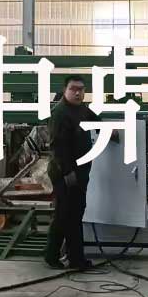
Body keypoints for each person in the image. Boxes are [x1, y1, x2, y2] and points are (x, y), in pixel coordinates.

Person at [44, 75, 94, 272]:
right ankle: (51, 256)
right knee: (64, 214)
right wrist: (68, 172)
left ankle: (76, 258)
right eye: (73, 89)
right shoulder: (60, 113)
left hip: (79, 172)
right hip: (64, 173)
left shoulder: (81, 109)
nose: (78, 92)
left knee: (75, 214)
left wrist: (110, 130)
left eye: (81, 89)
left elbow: (94, 119)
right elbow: (57, 147)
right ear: (65, 90)